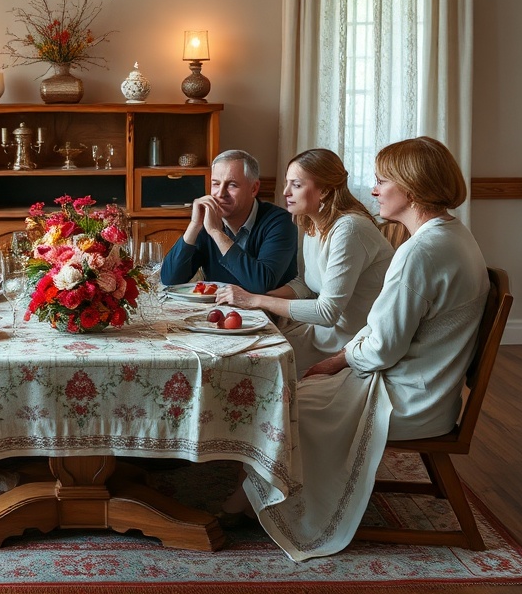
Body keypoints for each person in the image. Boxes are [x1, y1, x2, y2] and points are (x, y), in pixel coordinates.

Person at [234, 136, 489, 561]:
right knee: (293, 391)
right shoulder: (452, 236)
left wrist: (336, 361)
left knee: (285, 404)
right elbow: (382, 334)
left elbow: (382, 348)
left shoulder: (421, 252)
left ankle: (255, 505)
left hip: (412, 397)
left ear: (413, 186)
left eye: (382, 180)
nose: (373, 189)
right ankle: (248, 496)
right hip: (431, 385)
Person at [216, 148, 394, 375]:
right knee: (238, 352)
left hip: (351, 342)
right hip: (324, 333)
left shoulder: (349, 229)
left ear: (325, 191)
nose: (285, 192)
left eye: (297, 185)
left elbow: (328, 313)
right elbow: (305, 283)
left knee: (246, 366)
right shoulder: (313, 225)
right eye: (287, 183)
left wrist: (256, 300)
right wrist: (251, 299)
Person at [160, 149, 297, 292]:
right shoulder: (207, 219)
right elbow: (170, 280)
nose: (220, 193)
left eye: (232, 185)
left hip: (263, 312)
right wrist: (194, 225)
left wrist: (216, 232)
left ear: (254, 188)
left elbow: (261, 284)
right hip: (217, 310)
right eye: (216, 184)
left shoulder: (280, 222)